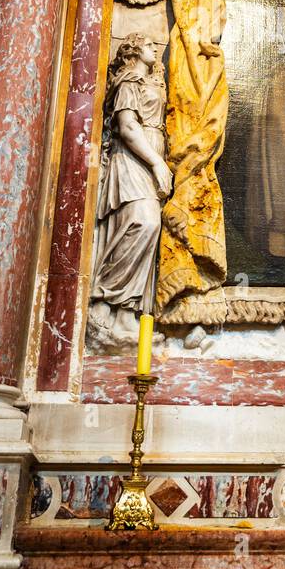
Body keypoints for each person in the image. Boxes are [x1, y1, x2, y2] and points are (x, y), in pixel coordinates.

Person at [87, 34, 172, 348]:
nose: (155, 49)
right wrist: (156, 164)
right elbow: (128, 127)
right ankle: (103, 300)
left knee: (151, 230)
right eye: (150, 46)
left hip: (149, 156)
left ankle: (125, 314)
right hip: (133, 159)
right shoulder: (127, 81)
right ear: (134, 50)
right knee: (142, 222)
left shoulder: (149, 80)